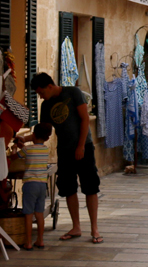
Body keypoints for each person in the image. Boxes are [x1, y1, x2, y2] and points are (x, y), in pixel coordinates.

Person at [24, 72, 102, 244]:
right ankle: (76, 226)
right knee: (68, 187)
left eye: (42, 92)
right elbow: (43, 131)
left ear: (50, 86)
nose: (41, 96)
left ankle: (94, 228)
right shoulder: (45, 106)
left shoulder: (73, 93)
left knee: (90, 186)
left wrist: (81, 146)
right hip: (64, 150)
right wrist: (25, 139)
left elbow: (84, 120)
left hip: (84, 147)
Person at [15, 123, 52, 250]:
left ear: (33, 135)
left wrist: (16, 147)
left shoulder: (27, 150)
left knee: (28, 214)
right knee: (39, 213)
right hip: (42, 185)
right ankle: (40, 240)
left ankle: (28, 242)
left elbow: (15, 156)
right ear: (47, 138)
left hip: (30, 184)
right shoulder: (46, 150)